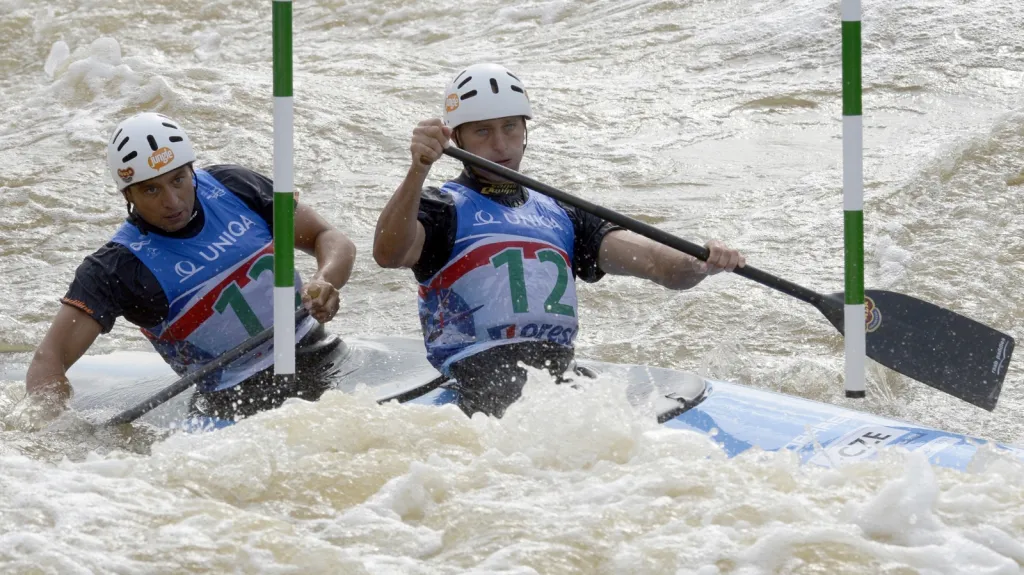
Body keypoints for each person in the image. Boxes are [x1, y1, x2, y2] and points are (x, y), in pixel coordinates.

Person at [373, 63, 746, 418]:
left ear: (525, 130)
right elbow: (390, 253)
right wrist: (418, 170)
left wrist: (701, 261)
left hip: (556, 371)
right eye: (483, 131)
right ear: (457, 139)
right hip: (480, 372)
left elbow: (659, 266)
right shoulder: (441, 208)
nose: (501, 144)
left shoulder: (563, 213)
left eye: (510, 127)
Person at [25, 112, 357, 421]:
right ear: (128, 195)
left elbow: (328, 238)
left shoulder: (234, 186)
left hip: (321, 353)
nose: (172, 201)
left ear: (191, 171)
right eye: (151, 189)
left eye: (178, 180)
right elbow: (48, 361)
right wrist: (56, 426)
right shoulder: (115, 269)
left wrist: (325, 280)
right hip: (234, 401)